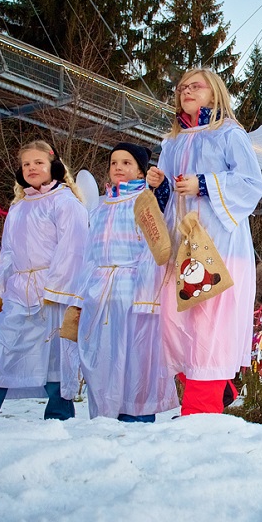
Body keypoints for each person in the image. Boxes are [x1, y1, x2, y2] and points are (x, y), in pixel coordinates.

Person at [145, 68, 262, 415]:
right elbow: (166, 198)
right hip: (181, 241)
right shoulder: (173, 140)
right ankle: (218, 383)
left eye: (195, 86)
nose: (186, 91)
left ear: (214, 93)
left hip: (219, 244)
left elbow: (250, 183)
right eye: (182, 87)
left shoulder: (229, 133)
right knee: (175, 319)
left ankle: (199, 412)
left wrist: (204, 184)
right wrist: (159, 184)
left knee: (211, 322)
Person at [0, 140, 88, 419]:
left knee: (55, 351)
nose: (32, 168)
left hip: (53, 290)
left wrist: (56, 289)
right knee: (5, 344)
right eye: (26, 164)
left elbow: (73, 249)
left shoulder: (66, 203)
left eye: (38, 162)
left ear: (52, 166)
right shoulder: (18, 207)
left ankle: (59, 412)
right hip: (18, 290)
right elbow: (7, 252)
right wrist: (1, 289)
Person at [78, 142, 178, 422]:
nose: (119, 167)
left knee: (136, 359)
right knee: (103, 359)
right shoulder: (100, 206)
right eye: (114, 163)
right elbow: (88, 252)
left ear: (140, 171)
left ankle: (137, 418)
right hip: (100, 294)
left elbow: (155, 246)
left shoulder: (146, 201)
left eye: (127, 163)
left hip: (134, 293)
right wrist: (82, 293)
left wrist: (148, 292)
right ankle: (104, 417)